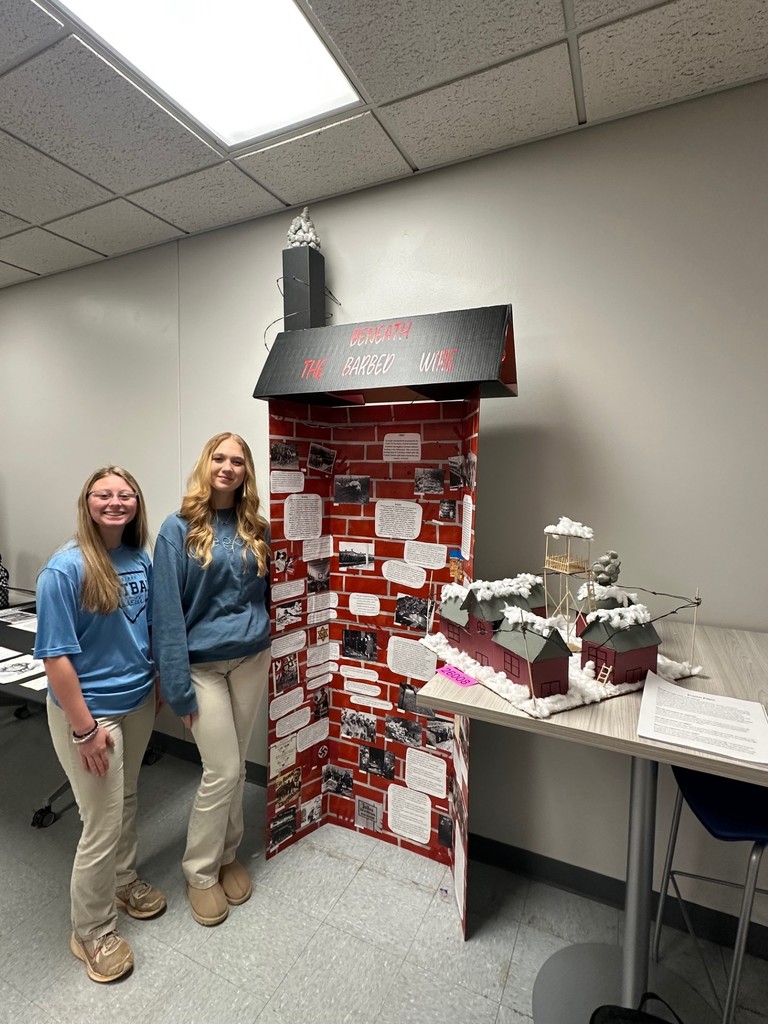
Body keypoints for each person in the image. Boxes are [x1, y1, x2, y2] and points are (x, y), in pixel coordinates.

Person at [34, 467, 165, 984]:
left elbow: (147, 629)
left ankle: (122, 880)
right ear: (87, 502)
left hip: (137, 702)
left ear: (136, 502)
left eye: (125, 494)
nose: (116, 502)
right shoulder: (64, 570)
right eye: (104, 494)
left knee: (126, 799)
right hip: (91, 713)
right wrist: (86, 730)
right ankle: (89, 929)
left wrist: (153, 679)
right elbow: (57, 660)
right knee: (101, 821)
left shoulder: (139, 558)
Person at [152, 432, 271, 926]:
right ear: (206, 465)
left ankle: (227, 855)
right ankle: (199, 871)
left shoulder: (257, 528)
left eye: (237, 461)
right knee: (220, 770)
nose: (227, 467)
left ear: (246, 472)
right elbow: (166, 614)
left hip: (250, 660)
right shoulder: (176, 530)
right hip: (200, 667)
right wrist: (175, 684)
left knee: (237, 767)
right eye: (219, 458)